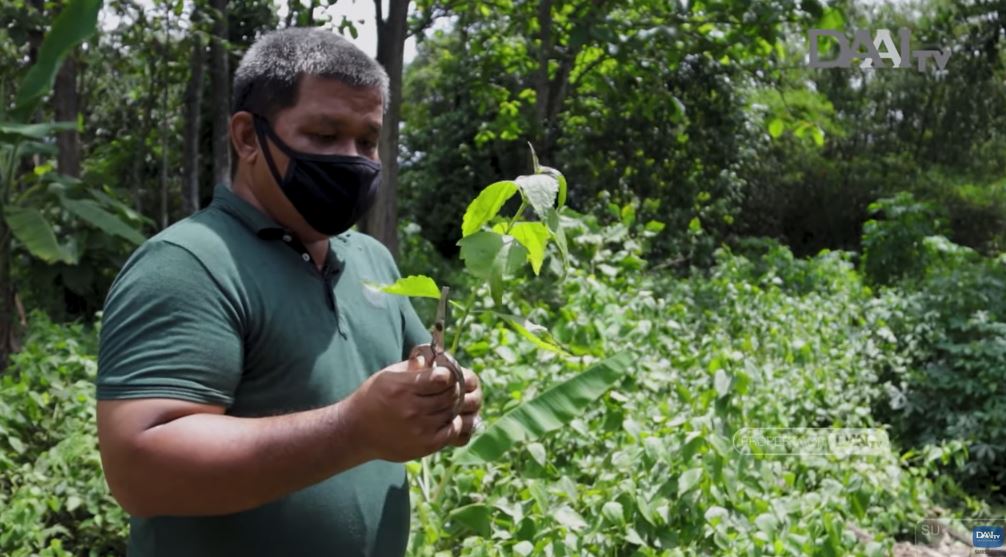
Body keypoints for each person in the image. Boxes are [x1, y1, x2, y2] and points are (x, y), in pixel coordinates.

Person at [94, 27, 483, 557]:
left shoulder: (371, 258)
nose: (353, 159)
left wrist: (448, 398)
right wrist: (354, 429)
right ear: (248, 138)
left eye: (366, 141)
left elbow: (417, 365)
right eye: (325, 136)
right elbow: (139, 470)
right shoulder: (189, 264)